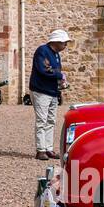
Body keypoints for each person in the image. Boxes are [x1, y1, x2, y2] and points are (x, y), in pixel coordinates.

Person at [28, 30, 70, 161]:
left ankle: (48, 148)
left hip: (52, 91)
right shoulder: (42, 51)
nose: (65, 45)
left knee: (51, 120)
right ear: (56, 42)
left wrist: (61, 82)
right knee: (42, 120)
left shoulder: (56, 55)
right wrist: (59, 76)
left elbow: (55, 71)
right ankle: (41, 150)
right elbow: (44, 70)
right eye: (64, 42)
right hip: (41, 91)